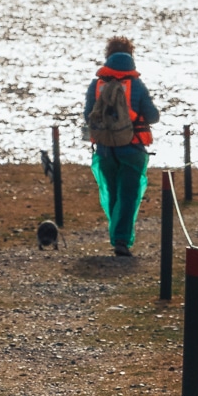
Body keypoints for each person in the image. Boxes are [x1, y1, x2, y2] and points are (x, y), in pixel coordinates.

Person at [84, 35, 160, 257]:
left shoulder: (96, 85)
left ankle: (117, 235)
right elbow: (153, 116)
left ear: (107, 57)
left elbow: (87, 115)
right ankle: (121, 241)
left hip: (105, 150)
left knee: (112, 193)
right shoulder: (136, 85)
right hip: (132, 149)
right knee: (129, 196)